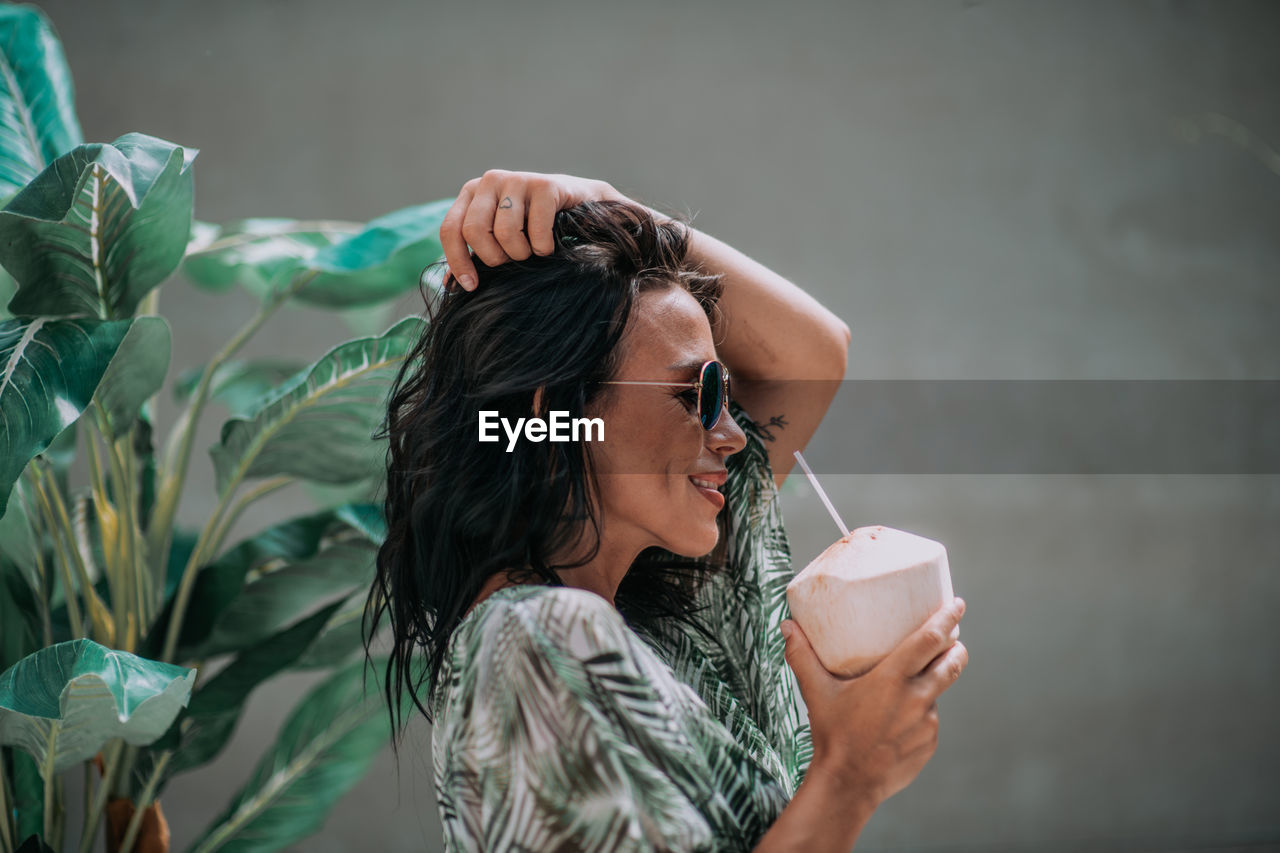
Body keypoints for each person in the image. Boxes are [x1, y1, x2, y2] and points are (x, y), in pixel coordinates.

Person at [365, 170, 969, 851]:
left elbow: (814, 355)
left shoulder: (663, 615)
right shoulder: (532, 643)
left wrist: (599, 200)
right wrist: (852, 772)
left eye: (726, 390)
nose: (733, 431)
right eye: (696, 393)